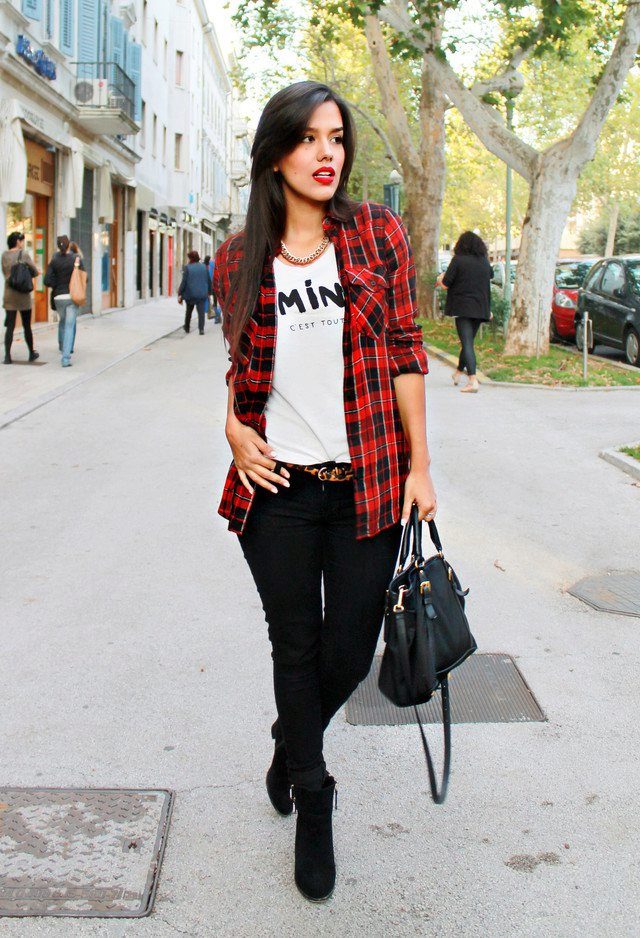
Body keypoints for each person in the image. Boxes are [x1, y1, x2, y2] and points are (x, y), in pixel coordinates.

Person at [214, 81, 435, 902]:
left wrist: (420, 465)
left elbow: (406, 348)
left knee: (348, 645)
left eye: (336, 138)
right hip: (275, 489)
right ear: (275, 154)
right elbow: (241, 363)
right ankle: (314, 794)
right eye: (308, 138)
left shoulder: (376, 233)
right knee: (295, 646)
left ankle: (290, 741)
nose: (326, 153)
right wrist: (230, 426)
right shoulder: (239, 256)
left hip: (365, 483)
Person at [435, 231, 492, 393]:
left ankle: (473, 380)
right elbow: (488, 280)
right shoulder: (484, 261)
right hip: (481, 308)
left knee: (467, 343)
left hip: (463, 307)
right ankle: (458, 373)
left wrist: (440, 278)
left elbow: (445, 284)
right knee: (468, 342)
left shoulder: (458, 260)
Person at [43, 235, 84, 367]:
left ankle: (62, 347)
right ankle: (65, 358)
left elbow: (46, 280)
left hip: (58, 297)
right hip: (72, 296)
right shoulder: (76, 259)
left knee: (62, 321)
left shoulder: (54, 260)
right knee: (69, 325)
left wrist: (57, 285)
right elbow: (84, 277)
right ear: (68, 245)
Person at [2, 231, 40, 364]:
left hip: (9, 295)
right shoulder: (23, 254)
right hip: (23, 295)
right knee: (26, 326)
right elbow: (34, 271)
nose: (23, 243)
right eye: (22, 241)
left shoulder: (4, 255)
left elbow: (6, 273)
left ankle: (7, 357)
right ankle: (31, 353)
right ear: (18, 242)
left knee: (10, 327)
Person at [178, 250, 211, 335]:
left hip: (190, 294)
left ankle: (187, 327)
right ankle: (201, 329)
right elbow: (208, 280)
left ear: (191, 258)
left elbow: (184, 282)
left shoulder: (187, 267)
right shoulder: (204, 267)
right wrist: (209, 292)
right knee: (201, 313)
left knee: (189, 311)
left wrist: (180, 293)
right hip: (202, 294)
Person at [206, 252, 222, 324]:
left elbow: (209, 276)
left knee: (214, 302)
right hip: (219, 285)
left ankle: (217, 317)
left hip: (213, 286)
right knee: (221, 301)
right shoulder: (221, 262)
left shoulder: (211, 263)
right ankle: (218, 315)